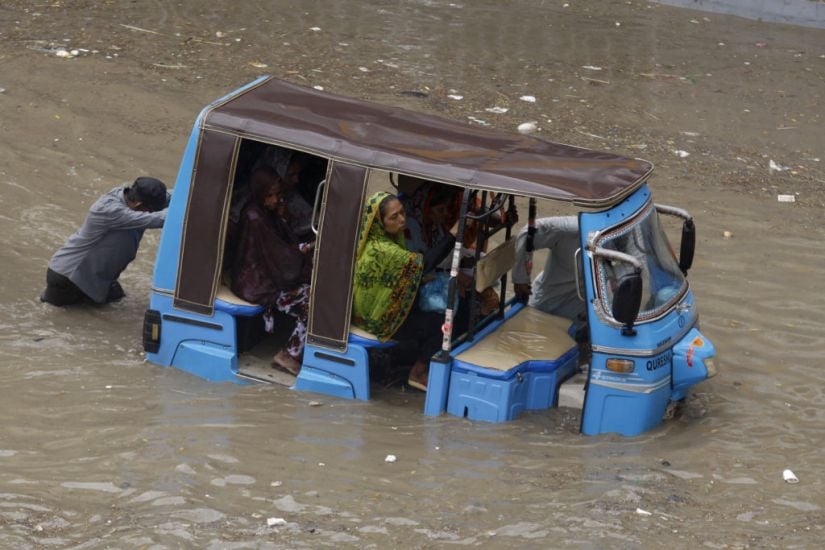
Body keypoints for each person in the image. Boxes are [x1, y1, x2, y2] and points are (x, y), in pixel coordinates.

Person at [352, 191, 457, 390]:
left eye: (402, 213)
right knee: (444, 325)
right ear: (379, 222)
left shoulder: (390, 240)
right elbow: (422, 264)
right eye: (394, 217)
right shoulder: (382, 249)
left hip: (381, 310)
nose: (402, 220)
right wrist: (453, 234)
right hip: (375, 320)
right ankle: (418, 372)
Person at [230, 165, 314, 375]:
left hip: (266, 275)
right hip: (256, 283)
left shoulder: (266, 212)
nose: (275, 200)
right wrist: (307, 249)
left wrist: (282, 217)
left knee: (311, 292)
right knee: (310, 305)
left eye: (278, 195)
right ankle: (289, 354)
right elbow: (279, 256)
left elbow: (282, 243)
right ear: (260, 193)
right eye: (271, 195)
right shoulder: (255, 217)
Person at [41, 177, 169, 306]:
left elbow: (171, 198)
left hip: (97, 277)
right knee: (63, 318)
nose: (154, 211)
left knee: (117, 306)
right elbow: (159, 219)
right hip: (70, 278)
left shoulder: (131, 199)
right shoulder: (110, 210)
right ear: (138, 204)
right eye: (152, 209)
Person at [512, 216, 585, 322]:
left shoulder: (615, 248)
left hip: (583, 315)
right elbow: (528, 232)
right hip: (546, 304)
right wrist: (520, 279)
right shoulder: (570, 229)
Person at [257, 146, 314, 239]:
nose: (296, 180)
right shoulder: (251, 209)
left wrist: (287, 219)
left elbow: (311, 222)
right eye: (291, 175)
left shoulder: (290, 196)